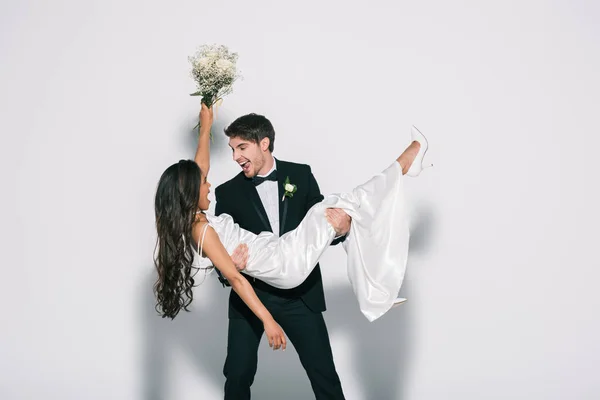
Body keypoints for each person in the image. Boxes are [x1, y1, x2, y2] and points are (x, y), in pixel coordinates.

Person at [153, 104, 431, 399]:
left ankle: (378, 288)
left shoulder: (199, 212)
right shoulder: (208, 220)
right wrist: (266, 319)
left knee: (341, 209)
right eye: (203, 183)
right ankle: (405, 163)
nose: (209, 183)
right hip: (280, 267)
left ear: (265, 144)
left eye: (241, 147)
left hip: (288, 266)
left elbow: (200, 165)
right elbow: (234, 278)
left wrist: (206, 124)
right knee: (237, 374)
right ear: (189, 192)